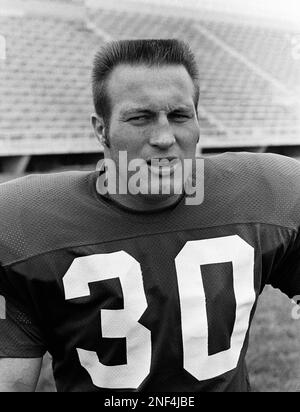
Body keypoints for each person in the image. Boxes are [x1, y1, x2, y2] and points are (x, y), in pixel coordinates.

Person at [0, 39, 299, 392]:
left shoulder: (266, 192)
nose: (163, 137)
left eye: (179, 115)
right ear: (101, 129)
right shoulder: (23, 223)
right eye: (140, 117)